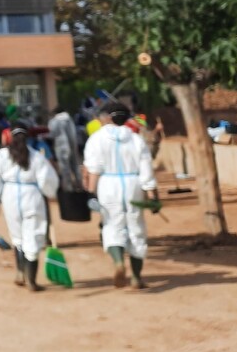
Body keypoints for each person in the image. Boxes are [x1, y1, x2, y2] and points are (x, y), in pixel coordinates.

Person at [83, 101, 159, 289]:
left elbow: (94, 168)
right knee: (136, 227)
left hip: (108, 185)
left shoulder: (96, 139)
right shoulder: (136, 139)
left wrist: (91, 194)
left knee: (112, 225)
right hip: (133, 184)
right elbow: (146, 169)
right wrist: (152, 195)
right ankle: (136, 277)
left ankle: (118, 262)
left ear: (108, 118)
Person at [0, 123, 59, 291]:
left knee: (18, 238)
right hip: (32, 196)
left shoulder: (2, 155)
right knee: (33, 237)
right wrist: (49, 192)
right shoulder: (37, 157)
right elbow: (48, 181)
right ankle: (31, 281)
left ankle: (20, 273)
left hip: (10, 196)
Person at [48, 108, 81, 193]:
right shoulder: (69, 119)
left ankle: (68, 188)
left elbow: (51, 134)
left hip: (61, 147)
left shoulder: (54, 121)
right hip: (72, 145)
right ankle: (79, 184)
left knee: (65, 168)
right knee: (75, 166)